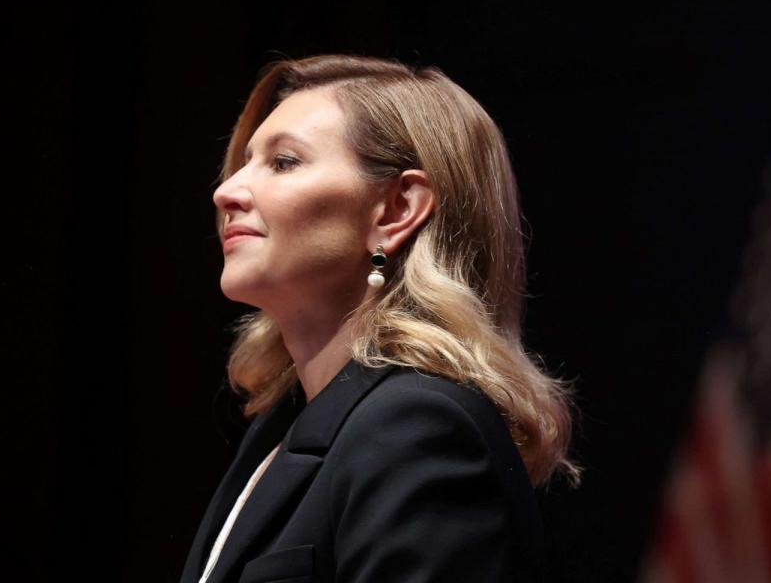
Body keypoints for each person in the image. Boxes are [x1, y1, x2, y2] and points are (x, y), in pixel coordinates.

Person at [180, 54, 582, 583]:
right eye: (245, 162)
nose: (226, 191)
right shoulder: (281, 428)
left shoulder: (417, 428)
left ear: (396, 210)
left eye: (283, 162)